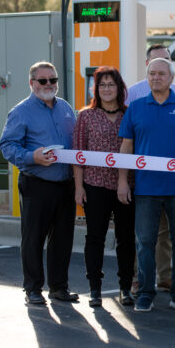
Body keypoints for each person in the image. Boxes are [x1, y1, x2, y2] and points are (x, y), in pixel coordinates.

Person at [117, 58, 175, 313]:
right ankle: (146, 293)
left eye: (161, 74)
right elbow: (126, 147)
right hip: (146, 190)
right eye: (152, 73)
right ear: (147, 77)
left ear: (171, 78)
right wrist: (123, 181)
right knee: (145, 243)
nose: (156, 77)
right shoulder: (135, 108)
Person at [0, 61, 78, 305]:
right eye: (42, 80)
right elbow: (7, 145)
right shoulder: (21, 111)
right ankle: (33, 289)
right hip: (37, 183)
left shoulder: (65, 108)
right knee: (34, 238)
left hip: (65, 183)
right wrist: (31, 157)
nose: (48, 85)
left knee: (63, 239)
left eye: (52, 80)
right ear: (32, 83)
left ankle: (59, 287)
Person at [125, 43, 175, 293]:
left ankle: (165, 276)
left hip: (174, 180)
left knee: (168, 233)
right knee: (143, 233)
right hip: (142, 178)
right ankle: (138, 278)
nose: (160, 70)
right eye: (155, 64)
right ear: (147, 66)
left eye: (166, 63)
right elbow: (126, 138)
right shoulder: (133, 94)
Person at [72, 67, 135, 307]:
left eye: (111, 84)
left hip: (125, 186)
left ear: (120, 88)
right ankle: (95, 288)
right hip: (94, 185)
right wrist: (79, 187)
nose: (107, 89)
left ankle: (125, 288)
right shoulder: (85, 116)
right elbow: (79, 154)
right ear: (96, 89)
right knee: (95, 237)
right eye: (102, 85)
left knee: (126, 239)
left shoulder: (129, 114)